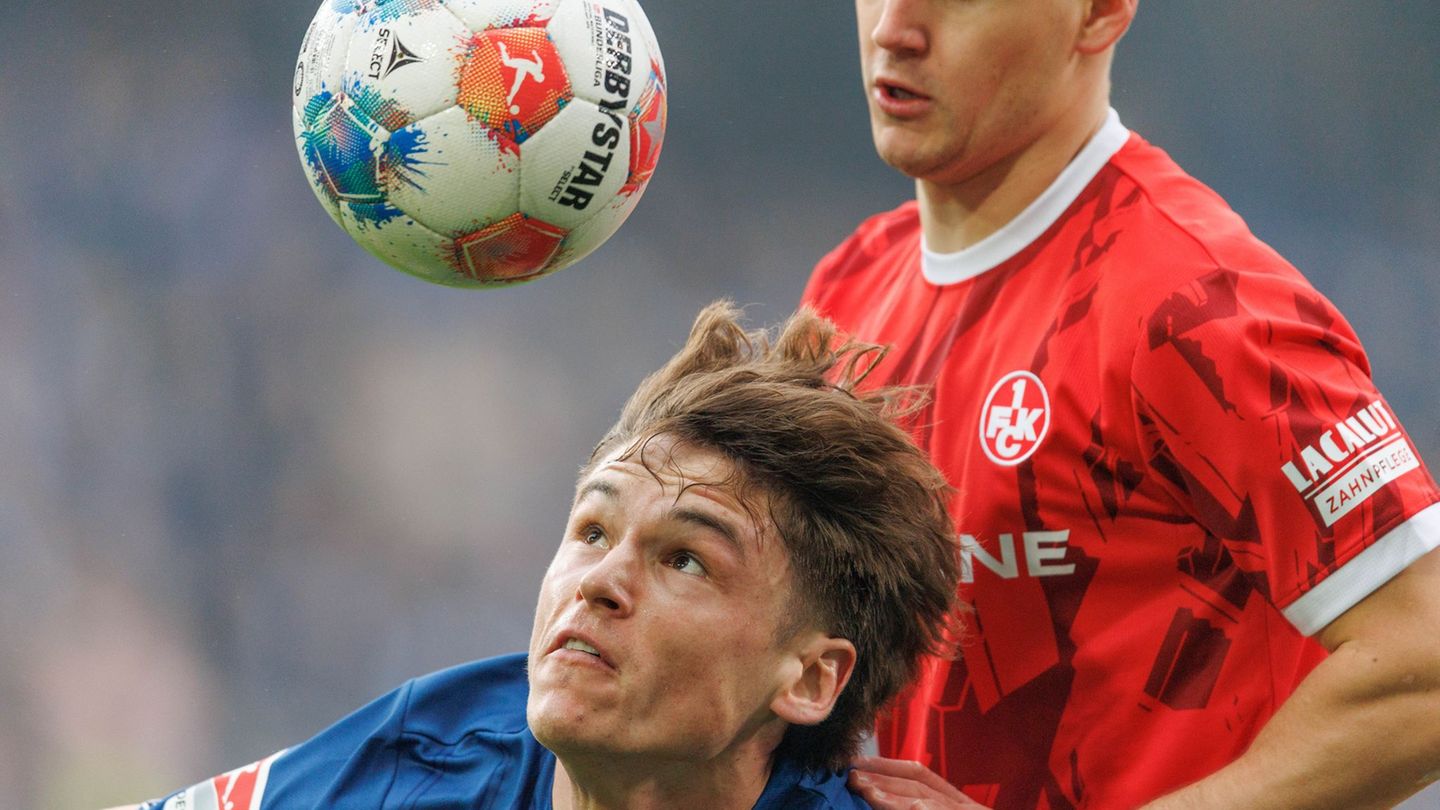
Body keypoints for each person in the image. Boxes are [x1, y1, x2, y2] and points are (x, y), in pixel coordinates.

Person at [802, 1, 1440, 808]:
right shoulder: (848, 293)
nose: (893, 29)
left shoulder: (1199, 306)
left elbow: (1425, 667)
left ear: (1101, 13)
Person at [111, 301, 961, 810]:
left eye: (685, 561)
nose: (600, 583)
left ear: (809, 679)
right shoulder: (419, 763)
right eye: (592, 532)